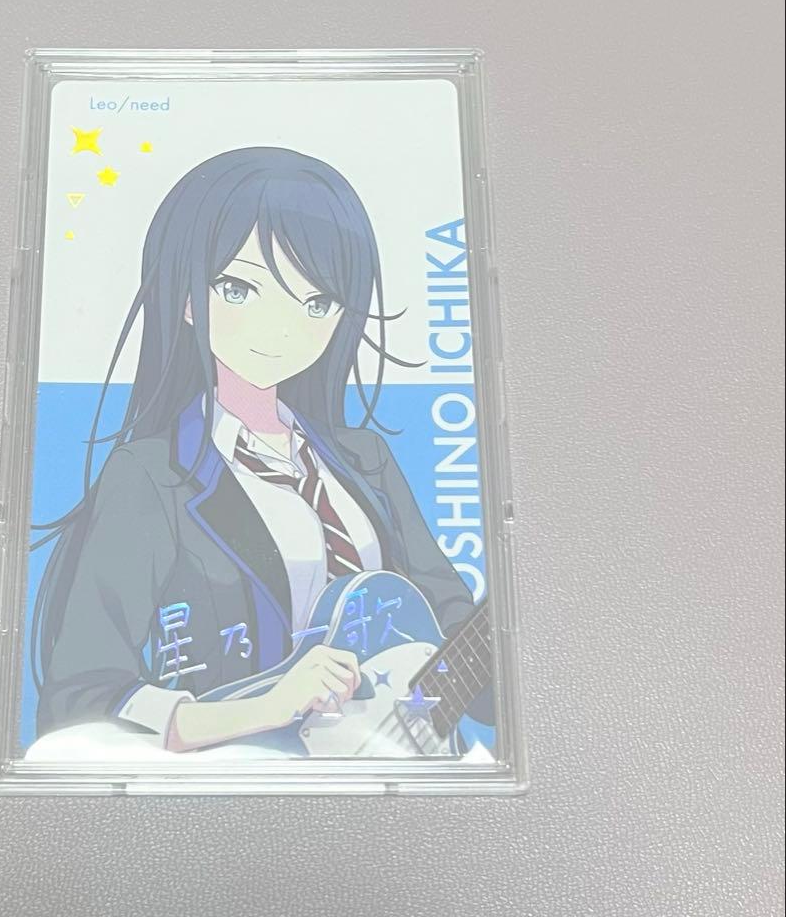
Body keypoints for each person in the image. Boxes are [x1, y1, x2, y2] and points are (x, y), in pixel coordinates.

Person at [32, 146, 477, 753]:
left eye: (317, 303)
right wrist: (267, 707)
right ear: (187, 297)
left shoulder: (365, 460)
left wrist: (424, 713)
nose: (282, 329)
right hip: (240, 774)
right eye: (239, 289)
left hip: (393, 767)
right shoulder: (154, 477)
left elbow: (455, 629)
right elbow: (80, 699)